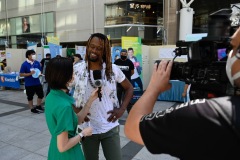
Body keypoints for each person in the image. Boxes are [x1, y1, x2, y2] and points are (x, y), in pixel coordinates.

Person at [124, 27, 240, 160]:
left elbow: (133, 127)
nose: (230, 56)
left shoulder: (210, 114)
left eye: (235, 49)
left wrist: (153, 88)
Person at [71, 33, 133, 160]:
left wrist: (121, 109)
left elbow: (129, 88)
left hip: (109, 126)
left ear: (104, 51)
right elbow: (62, 92)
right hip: (87, 128)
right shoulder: (76, 70)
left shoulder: (112, 69)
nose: (94, 50)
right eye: (92, 46)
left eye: (99, 48)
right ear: (87, 46)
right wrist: (75, 109)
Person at [44, 57, 98, 160]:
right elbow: (63, 146)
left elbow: (75, 120)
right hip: (69, 154)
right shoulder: (64, 106)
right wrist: (83, 134)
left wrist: (90, 100)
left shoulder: (52, 96)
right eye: (72, 73)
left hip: (54, 150)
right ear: (64, 76)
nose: (74, 76)